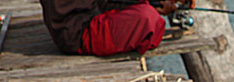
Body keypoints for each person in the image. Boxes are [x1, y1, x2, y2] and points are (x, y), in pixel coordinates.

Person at [39, 0, 191, 57]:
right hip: (78, 34)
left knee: (147, 11)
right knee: (148, 18)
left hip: (90, 21)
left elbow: (104, 3)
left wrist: (154, 3)